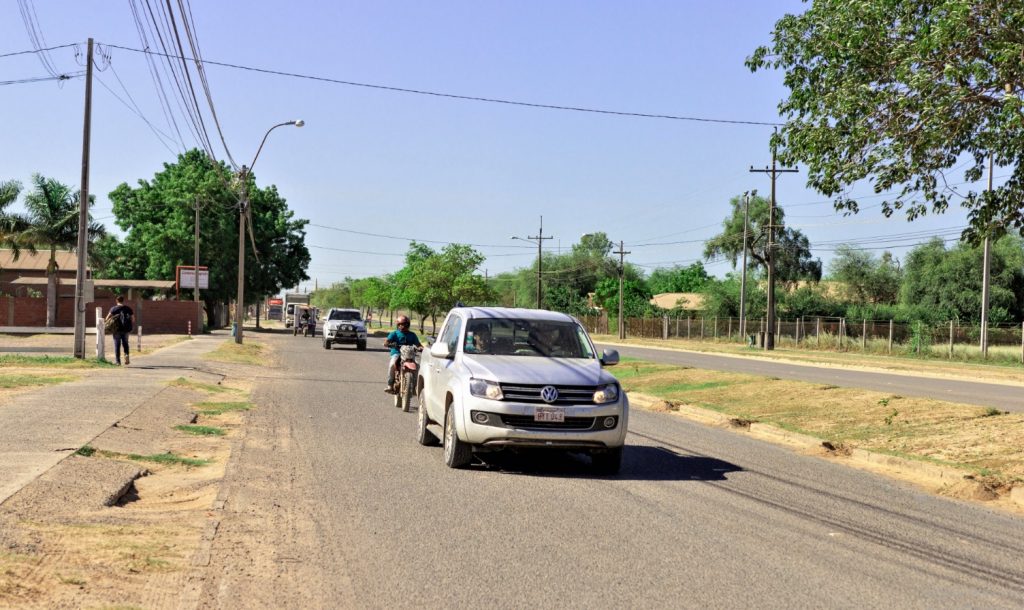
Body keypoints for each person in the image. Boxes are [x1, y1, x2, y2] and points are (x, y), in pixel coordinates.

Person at [384, 315, 421, 393]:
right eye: (400, 324)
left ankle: (415, 386)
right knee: (392, 365)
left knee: (417, 366)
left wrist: (421, 348)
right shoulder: (394, 333)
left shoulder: (412, 335)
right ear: (398, 325)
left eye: (405, 324)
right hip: (397, 353)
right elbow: (387, 341)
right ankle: (390, 385)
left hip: (409, 355)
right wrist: (388, 344)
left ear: (408, 325)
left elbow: (418, 344)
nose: (402, 326)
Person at [104, 295, 135, 366]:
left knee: (117, 345)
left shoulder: (113, 309)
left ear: (116, 301)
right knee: (125, 343)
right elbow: (133, 319)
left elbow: (107, 318)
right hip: (126, 330)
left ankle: (118, 362)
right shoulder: (128, 308)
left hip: (116, 330)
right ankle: (126, 355)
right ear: (123, 300)